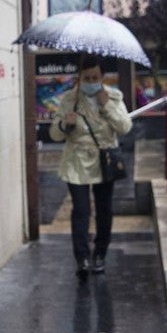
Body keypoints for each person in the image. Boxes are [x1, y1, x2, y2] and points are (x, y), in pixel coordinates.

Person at [48, 55, 133, 277]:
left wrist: (106, 106)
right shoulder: (69, 99)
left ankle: (100, 254)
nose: (91, 81)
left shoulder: (113, 97)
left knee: (104, 210)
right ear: (79, 78)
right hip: (76, 161)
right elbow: (54, 135)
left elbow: (124, 127)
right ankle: (82, 258)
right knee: (81, 211)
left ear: (102, 77)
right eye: (86, 78)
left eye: (95, 77)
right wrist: (65, 124)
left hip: (104, 160)